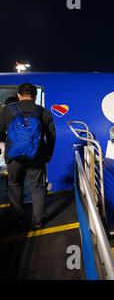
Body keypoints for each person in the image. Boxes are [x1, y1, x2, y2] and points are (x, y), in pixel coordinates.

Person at [0, 83, 56, 229]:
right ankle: (37, 220)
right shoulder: (43, 112)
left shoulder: (7, 111)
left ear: (19, 95)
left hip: (14, 156)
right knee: (37, 187)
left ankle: (18, 217)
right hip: (36, 156)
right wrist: (48, 154)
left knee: (14, 184)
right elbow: (51, 136)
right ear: (35, 96)